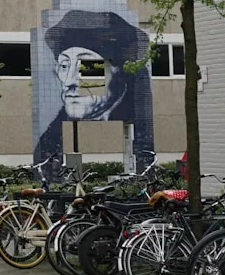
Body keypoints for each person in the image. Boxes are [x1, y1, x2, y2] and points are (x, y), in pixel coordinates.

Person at [34, 9, 148, 163]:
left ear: (118, 72)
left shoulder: (137, 112)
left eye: (87, 68)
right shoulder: (49, 140)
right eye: (64, 66)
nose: (69, 82)